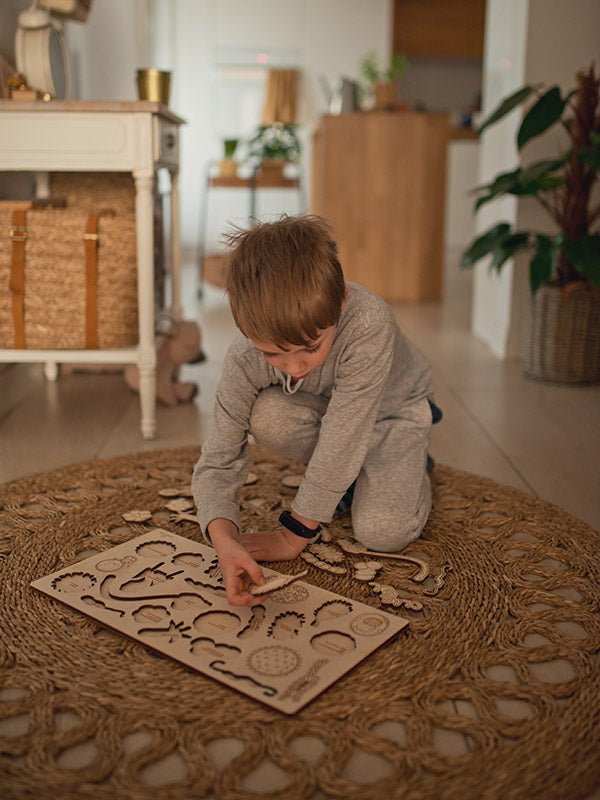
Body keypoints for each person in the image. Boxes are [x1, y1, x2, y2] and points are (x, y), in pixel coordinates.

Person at [192, 214, 440, 607]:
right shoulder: (244, 357)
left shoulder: (368, 321)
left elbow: (344, 435)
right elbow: (218, 459)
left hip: (391, 415)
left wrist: (294, 535)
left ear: (340, 303)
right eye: (272, 353)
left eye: (311, 347)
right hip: (328, 413)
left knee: (383, 533)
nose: (295, 367)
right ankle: (348, 479)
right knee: (270, 415)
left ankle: (411, 462)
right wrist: (225, 543)